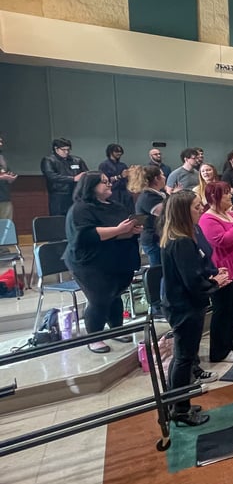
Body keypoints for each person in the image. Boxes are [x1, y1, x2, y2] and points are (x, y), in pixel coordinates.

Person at [160, 191, 229, 426]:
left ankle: (178, 401)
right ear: (183, 211)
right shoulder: (180, 241)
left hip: (186, 303)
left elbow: (196, 269)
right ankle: (180, 409)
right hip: (184, 305)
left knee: (185, 357)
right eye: (196, 206)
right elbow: (190, 280)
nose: (201, 209)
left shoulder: (186, 235)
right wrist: (214, 283)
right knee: (184, 358)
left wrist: (211, 275)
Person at [63, 172, 141, 354]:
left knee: (115, 295)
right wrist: (118, 229)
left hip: (116, 259)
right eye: (103, 182)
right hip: (90, 262)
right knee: (99, 299)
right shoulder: (81, 209)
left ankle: (116, 329)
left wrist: (133, 229)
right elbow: (86, 234)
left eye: (108, 182)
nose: (109, 185)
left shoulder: (116, 206)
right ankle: (94, 338)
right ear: (90, 186)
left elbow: (122, 231)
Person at [198, 181, 233, 363]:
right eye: (226, 193)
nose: (231, 196)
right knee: (222, 309)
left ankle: (232, 342)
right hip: (222, 267)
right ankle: (219, 350)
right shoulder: (207, 219)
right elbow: (222, 241)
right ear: (214, 197)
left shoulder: (230, 214)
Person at [129, 165, 167, 315]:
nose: (165, 177)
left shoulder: (158, 194)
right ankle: (157, 306)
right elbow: (165, 213)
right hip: (153, 239)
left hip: (160, 238)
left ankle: (163, 302)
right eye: (162, 175)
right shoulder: (148, 197)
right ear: (156, 178)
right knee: (158, 271)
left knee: (163, 270)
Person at [41, 137, 88, 215]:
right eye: (63, 150)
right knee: (59, 219)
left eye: (68, 149)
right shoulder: (48, 160)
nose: (66, 152)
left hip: (76, 194)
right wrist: (73, 179)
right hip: (58, 195)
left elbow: (86, 173)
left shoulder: (77, 160)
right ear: (56, 149)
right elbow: (51, 176)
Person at [98, 144, 134, 213]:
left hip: (124, 193)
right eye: (116, 151)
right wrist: (119, 176)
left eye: (120, 152)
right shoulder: (104, 165)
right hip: (112, 192)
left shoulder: (123, 165)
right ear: (110, 152)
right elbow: (105, 180)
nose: (119, 153)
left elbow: (127, 179)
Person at [0, 136, 18, 220]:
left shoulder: (1, 157)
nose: (1, 144)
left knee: (6, 223)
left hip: (4, 196)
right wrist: (2, 177)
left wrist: (10, 177)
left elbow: (6, 172)